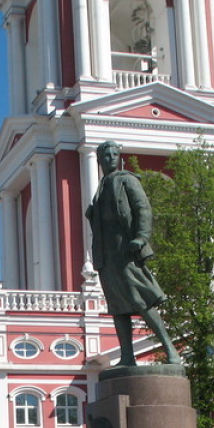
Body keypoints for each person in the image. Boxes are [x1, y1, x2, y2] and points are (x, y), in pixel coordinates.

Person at [85, 140, 179, 366]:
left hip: (125, 249)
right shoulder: (102, 186)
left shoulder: (126, 180)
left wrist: (141, 237)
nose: (110, 158)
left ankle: (170, 350)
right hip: (106, 254)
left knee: (139, 300)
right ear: (99, 160)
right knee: (117, 307)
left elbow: (142, 208)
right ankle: (127, 356)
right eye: (106, 155)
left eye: (114, 155)